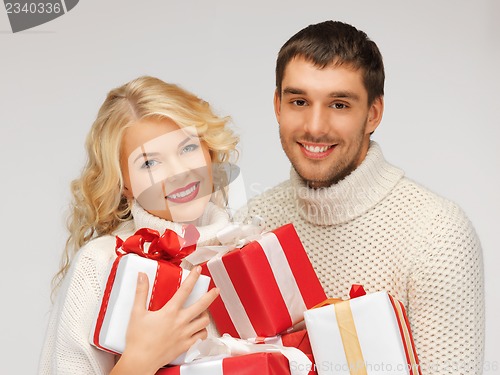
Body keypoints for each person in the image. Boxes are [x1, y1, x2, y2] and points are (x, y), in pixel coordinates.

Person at [239, 21, 484, 374]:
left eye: (339, 104)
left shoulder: (438, 234)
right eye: (299, 101)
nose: (315, 126)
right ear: (278, 106)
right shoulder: (251, 224)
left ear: (373, 114)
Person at [38, 76, 239, 375]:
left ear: (209, 151)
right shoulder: (101, 263)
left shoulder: (244, 247)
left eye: (187, 149)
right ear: (124, 185)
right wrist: (141, 360)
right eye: (149, 163)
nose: (179, 173)